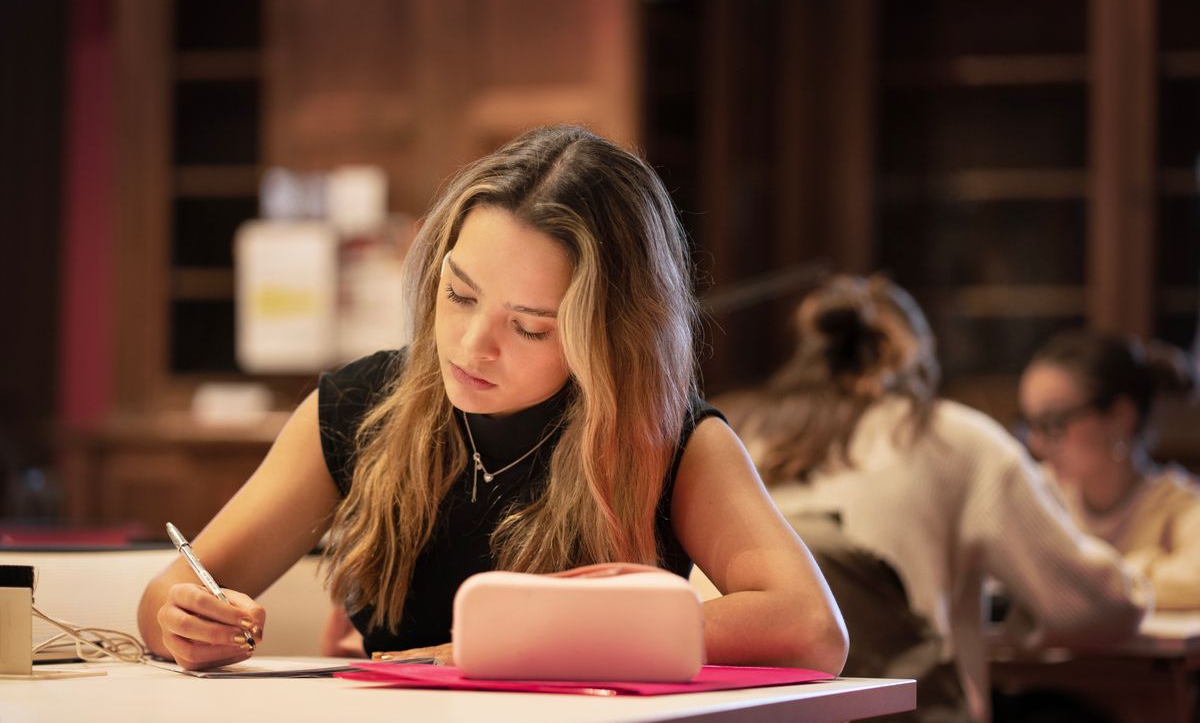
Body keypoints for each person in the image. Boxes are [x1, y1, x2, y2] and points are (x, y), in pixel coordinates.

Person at [137, 124, 848, 680]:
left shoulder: (668, 440)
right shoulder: (357, 407)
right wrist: (189, 623)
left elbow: (812, 629)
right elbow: (167, 597)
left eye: (529, 327)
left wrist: (532, 642)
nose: (472, 346)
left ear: (607, 336)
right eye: (459, 294)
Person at [721, 274, 1150, 723]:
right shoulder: (953, 438)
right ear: (920, 358)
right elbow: (1092, 606)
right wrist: (1024, 618)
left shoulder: (742, 440)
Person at [1019, 330, 1200, 609]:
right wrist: (1146, 570)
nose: (1035, 443)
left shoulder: (1176, 503)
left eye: (1052, 423)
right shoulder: (1042, 493)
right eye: (1029, 424)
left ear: (1120, 417)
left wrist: (1101, 575)